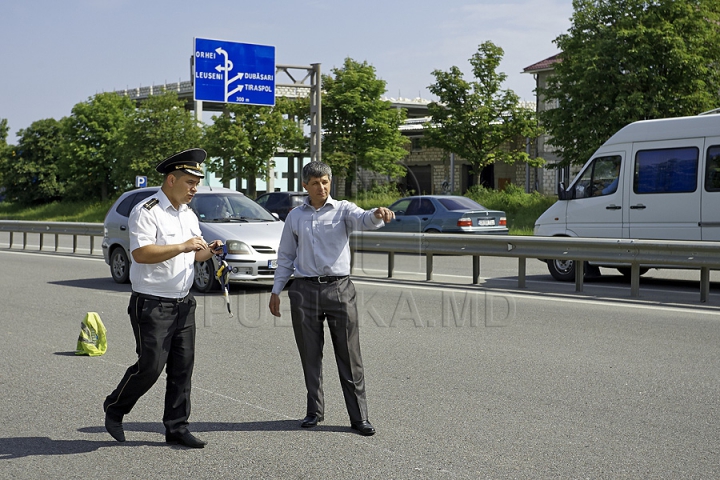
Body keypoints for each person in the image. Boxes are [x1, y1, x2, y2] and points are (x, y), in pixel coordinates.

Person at [103, 148, 223, 448]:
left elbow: (196, 256)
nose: (195, 188)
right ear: (171, 179)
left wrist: (211, 251)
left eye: (197, 182)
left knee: (182, 369)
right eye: (190, 182)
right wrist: (183, 246)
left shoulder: (188, 213)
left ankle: (177, 427)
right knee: (151, 366)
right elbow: (141, 254)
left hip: (183, 302)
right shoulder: (147, 210)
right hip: (152, 303)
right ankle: (115, 407)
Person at [268, 161, 395, 436]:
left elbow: (365, 219)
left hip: (339, 289)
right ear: (305, 186)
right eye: (315, 183)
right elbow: (286, 256)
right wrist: (276, 290)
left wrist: (378, 214)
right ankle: (314, 411)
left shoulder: (344, 210)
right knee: (310, 355)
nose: (321, 187)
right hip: (304, 290)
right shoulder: (295, 217)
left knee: (350, 356)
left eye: (325, 182)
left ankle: (359, 417)